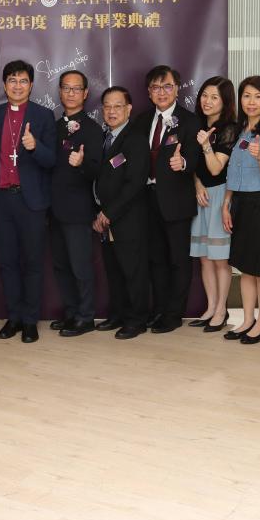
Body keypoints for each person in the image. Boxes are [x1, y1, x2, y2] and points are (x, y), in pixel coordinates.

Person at [0, 59, 57, 344]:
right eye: (12, 80)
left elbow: (51, 160)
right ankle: (13, 317)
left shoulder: (44, 116)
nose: (17, 85)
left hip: (31, 202)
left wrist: (35, 147)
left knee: (33, 263)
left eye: (23, 80)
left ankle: (30, 321)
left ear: (31, 85)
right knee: (8, 263)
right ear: (4, 85)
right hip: (1, 200)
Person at [222, 76, 260, 345]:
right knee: (245, 268)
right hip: (240, 203)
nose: (251, 101)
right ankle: (247, 319)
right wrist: (226, 204)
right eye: (247, 95)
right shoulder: (239, 131)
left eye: (258, 96)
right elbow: (232, 171)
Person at [140, 65, 201, 332]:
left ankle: (174, 314)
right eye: (155, 87)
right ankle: (159, 310)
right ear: (149, 92)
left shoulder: (190, 121)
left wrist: (183, 163)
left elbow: (195, 159)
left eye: (167, 86)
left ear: (177, 89)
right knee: (156, 260)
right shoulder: (142, 121)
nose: (161, 92)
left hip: (176, 201)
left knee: (178, 260)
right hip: (148, 200)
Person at [48, 70, 104, 338]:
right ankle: (71, 312)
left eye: (76, 89)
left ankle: (86, 316)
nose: (71, 93)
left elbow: (97, 171)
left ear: (85, 93)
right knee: (61, 265)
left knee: (80, 266)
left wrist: (81, 164)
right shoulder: (53, 126)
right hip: (53, 209)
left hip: (78, 210)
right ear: (60, 92)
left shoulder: (92, 130)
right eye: (66, 88)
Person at [94, 87, 150, 340]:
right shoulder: (105, 138)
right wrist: (100, 212)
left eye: (118, 106)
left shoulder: (135, 139)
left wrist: (108, 213)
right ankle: (118, 314)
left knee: (133, 271)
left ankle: (137, 320)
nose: (112, 111)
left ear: (129, 109)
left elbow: (134, 182)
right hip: (107, 219)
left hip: (128, 218)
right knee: (114, 271)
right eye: (107, 106)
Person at [188, 76, 236, 333]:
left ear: (225, 102)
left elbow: (216, 168)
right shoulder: (196, 125)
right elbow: (193, 167)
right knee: (205, 258)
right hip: (200, 195)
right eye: (204, 95)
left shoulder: (229, 129)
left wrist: (206, 145)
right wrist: (197, 184)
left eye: (214, 97)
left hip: (220, 196)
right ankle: (211, 307)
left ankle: (221, 310)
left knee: (220, 259)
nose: (207, 101)